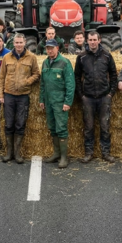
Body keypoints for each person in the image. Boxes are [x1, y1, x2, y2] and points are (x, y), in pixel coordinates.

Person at [74, 31, 118, 163]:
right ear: (87, 41)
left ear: (99, 40)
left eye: (95, 40)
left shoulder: (107, 56)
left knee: (105, 126)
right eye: (90, 40)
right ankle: (89, 153)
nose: (92, 42)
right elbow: (76, 76)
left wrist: (111, 93)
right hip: (88, 98)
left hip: (104, 97)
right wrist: (81, 95)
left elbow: (114, 75)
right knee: (89, 127)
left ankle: (106, 152)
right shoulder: (81, 57)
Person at [0, 33, 40, 164]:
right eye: (16, 43)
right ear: (13, 43)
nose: (19, 45)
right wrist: (0, 95)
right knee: (9, 124)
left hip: (23, 96)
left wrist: (27, 81)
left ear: (25, 42)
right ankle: (9, 153)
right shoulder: (6, 57)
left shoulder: (31, 57)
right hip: (9, 94)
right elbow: (1, 78)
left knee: (20, 124)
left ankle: (17, 153)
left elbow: (37, 73)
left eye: (21, 42)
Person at [40, 39, 75, 169]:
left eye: (51, 48)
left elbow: (70, 85)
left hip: (60, 102)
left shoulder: (64, 63)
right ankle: (56, 153)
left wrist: (67, 102)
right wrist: (41, 99)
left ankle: (64, 157)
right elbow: (42, 84)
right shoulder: (44, 63)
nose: (49, 50)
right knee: (52, 127)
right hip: (49, 101)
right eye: (47, 48)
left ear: (57, 48)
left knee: (61, 128)